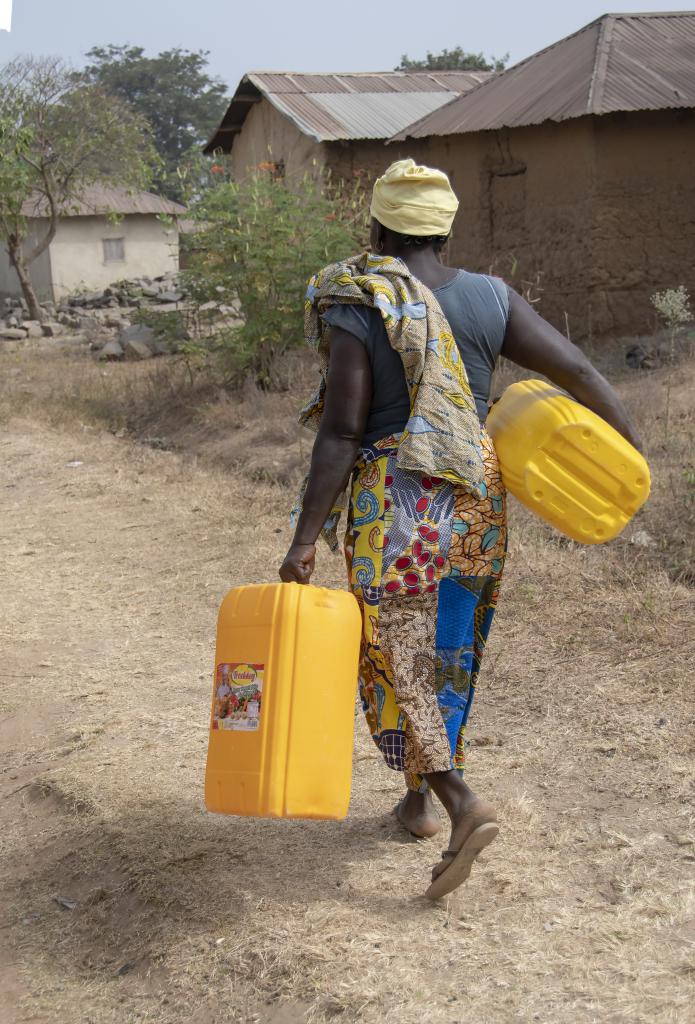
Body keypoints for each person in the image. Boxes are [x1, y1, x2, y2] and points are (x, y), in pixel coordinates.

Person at [280, 159, 641, 899]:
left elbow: (343, 432)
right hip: (476, 491)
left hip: (398, 500)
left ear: (377, 229)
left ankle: (456, 796)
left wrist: (304, 537)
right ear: (444, 229)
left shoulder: (363, 301)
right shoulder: (489, 297)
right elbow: (575, 368)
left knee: (392, 652)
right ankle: (414, 799)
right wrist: (630, 450)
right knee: (448, 642)